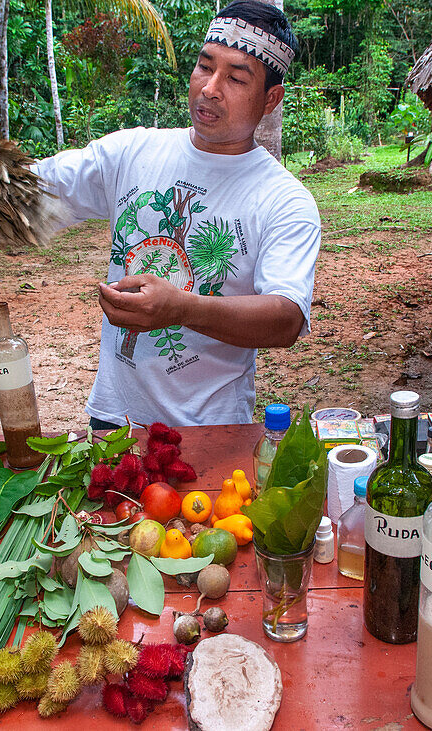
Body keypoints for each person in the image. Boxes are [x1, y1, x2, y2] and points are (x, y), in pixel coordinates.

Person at [36, 0, 320, 429]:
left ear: (270, 98)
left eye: (236, 78)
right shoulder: (132, 152)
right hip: (114, 420)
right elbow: (31, 187)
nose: (210, 88)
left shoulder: (284, 200)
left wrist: (183, 309)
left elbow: (286, 317)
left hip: (212, 428)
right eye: (206, 67)